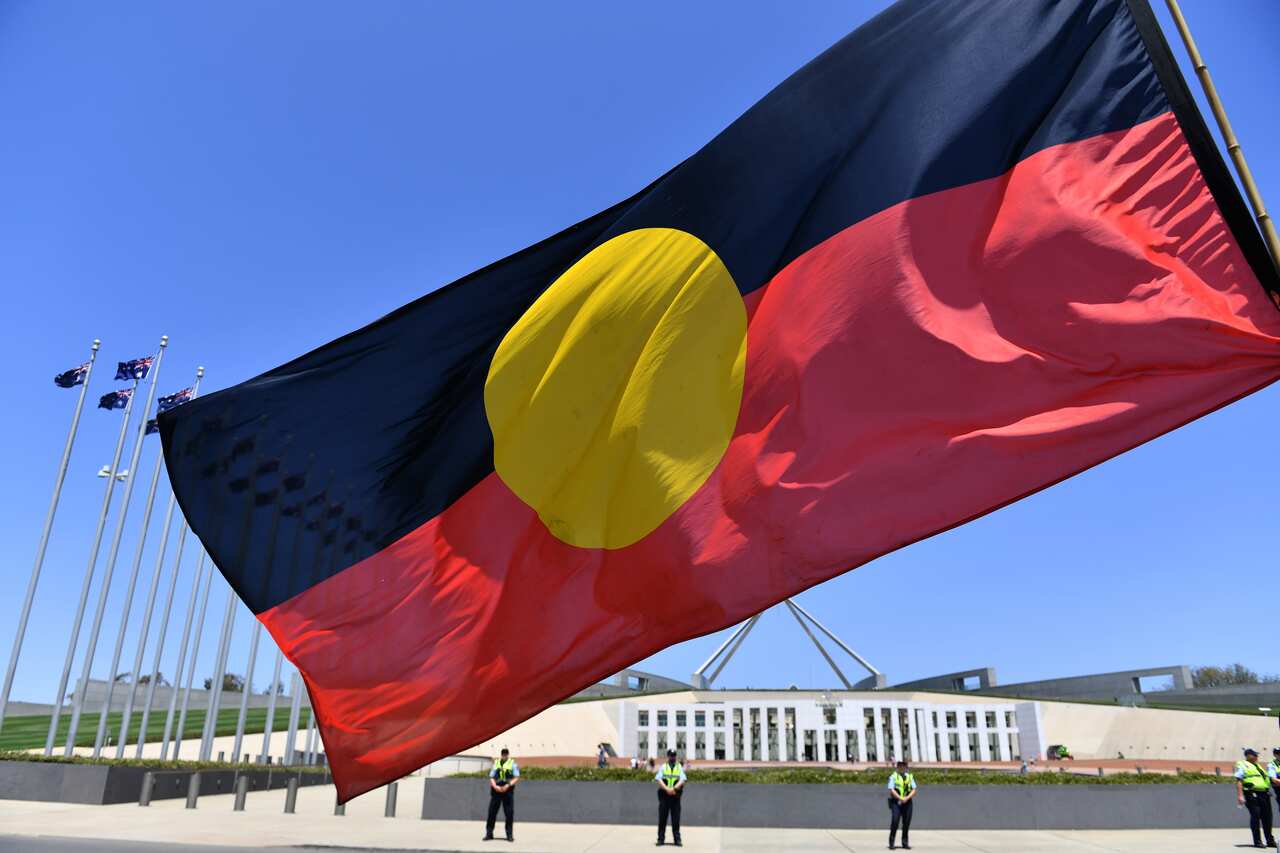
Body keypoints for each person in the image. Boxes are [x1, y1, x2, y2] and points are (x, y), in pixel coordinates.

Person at [1236, 748, 1275, 849]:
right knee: (1256, 816)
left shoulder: (1258, 766)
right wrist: (1240, 795)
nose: (1257, 757)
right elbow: (1239, 780)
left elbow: (1265, 779)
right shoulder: (1242, 765)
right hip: (1252, 793)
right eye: (1255, 755)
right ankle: (1257, 841)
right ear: (1248, 755)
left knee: (1267, 818)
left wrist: (1267, 790)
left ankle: (1270, 840)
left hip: (1264, 794)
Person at [483, 748, 519, 842]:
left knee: (509, 814)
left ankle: (509, 835)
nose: (504, 756)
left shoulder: (513, 764)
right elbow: (491, 777)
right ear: (501, 755)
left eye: (506, 754)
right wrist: (495, 786)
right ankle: (489, 834)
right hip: (496, 791)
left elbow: (516, 777)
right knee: (492, 813)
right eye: (503, 754)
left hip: (508, 791)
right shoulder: (496, 763)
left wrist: (508, 785)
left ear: (508, 755)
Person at [655, 748, 686, 847]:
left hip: (675, 797)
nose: (672, 757)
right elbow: (658, 779)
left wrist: (674, 789)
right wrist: (667, 789)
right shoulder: (663, 767)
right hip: (664, 797)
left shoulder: (679, 767)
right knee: (662, 819)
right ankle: (660, 839)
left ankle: (677, 840)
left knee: (676, 819)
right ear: (668, 756)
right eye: (670, 755)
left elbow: (683, 779)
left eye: (674, 755)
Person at [887, 759, 917, 851]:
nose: (901, 767)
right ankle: (891, 843)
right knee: (895, 822)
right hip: (896, 802)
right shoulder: (893, 776)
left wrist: (907, 798)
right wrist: (900, 798)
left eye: (903, 766)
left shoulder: (910, 777)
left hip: (907, 802)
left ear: (906, 767)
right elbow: (891, 789)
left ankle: (905, 843)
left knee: (906, 823)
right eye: (899, 766)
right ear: (897, 767)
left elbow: (914, 789)